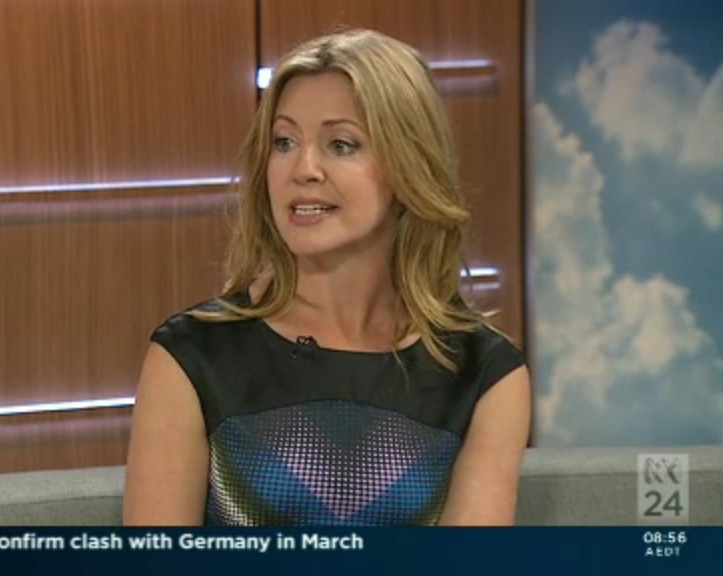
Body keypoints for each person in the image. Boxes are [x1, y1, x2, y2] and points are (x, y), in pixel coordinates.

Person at [123, 28, 531, 526]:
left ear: (408, 166)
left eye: (341, 144)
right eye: (284, 141)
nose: (304, 168)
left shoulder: (483, 375)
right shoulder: (191, 357)